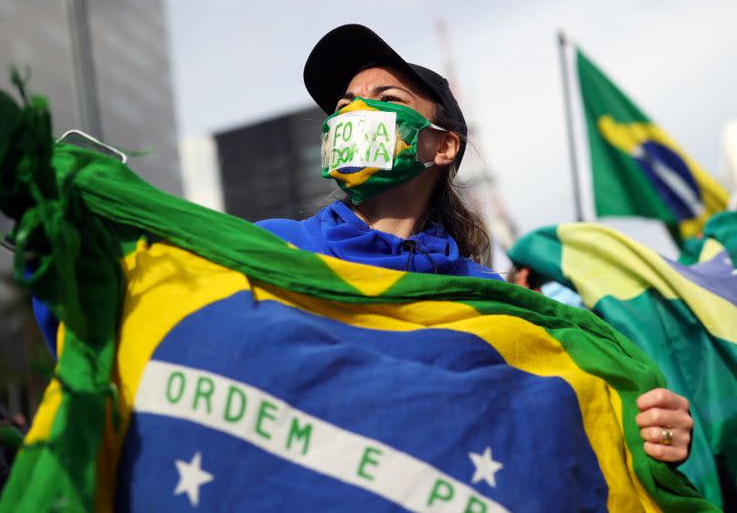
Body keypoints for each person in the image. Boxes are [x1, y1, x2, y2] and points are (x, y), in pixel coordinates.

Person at [256, 24, 693, 464]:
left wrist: (647, 428)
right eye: (345, 105)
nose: (357, 114)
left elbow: (549, 424)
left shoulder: (491, 299)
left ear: (443, 146)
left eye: (387, 101)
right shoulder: (269, 249)